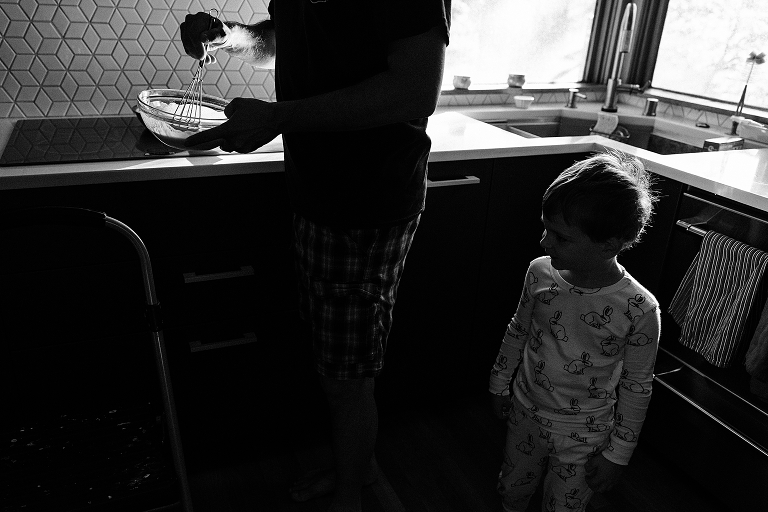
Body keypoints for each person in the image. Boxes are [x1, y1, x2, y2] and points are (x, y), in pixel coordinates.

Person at [179, 3, 451, 512]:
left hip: (368, 202)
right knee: (334, 357)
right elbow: (279, 41)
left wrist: (280, 117)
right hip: (315, 192)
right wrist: (227, 37)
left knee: (346, 375)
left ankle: (350, 496)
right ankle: (360, 466)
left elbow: (416, 88)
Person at [489, 150, 661, 512]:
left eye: (560, 236)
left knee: (563, 507)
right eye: (545, 228)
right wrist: (498, 383)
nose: (544, 242)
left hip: (586, 433)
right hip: (525, 411)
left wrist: (618, 454)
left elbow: (637, 385)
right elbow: (518, 329)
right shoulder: (540, 273)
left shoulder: (639, 309)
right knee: (512, 491)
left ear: (610, 245)